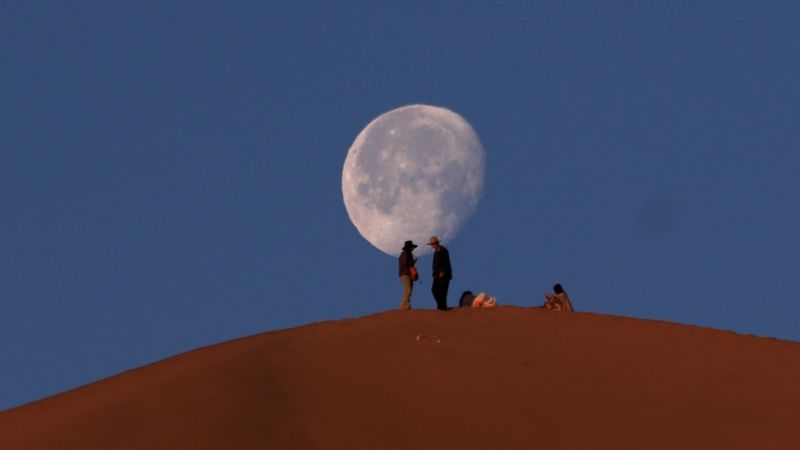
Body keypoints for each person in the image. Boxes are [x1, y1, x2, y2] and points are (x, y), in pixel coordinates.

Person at [427, 236, 452, 310]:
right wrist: (434, 274)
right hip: (436, 275)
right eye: (431, 244)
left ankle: (442, 307)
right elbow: (435, 265)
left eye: (433, 244)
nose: (432, 245)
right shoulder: (435, 252)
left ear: (437, 243)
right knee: (434, 290)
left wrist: (443, 272)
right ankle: (441, 306)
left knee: (443, 291)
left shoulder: (444, 251)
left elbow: (445, 262)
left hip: (444, 275)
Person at [398, 240, 418, 310]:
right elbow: (405, 263)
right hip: (405, 274)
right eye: (412, 247)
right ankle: (404, 307)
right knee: (408, 290)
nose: (413, 249)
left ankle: (405, 305)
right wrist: (413, 262)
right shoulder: (406, 254)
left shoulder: (406, 254)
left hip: (405, 274)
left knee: (408, 290)